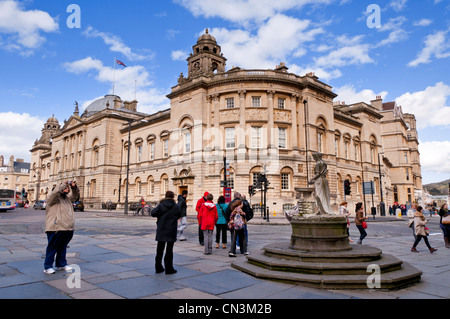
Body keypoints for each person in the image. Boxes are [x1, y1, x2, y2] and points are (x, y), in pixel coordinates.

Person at [43, 181, 79, 274]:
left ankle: (61, 264)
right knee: (52, 247)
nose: (68, 189)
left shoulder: (67, 199)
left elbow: (75, 196)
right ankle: (47, 267)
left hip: (67, 227)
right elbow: (55, 193)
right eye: (66, 188)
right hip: (55, 227)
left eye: (68, 188)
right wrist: (63, 184)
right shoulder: (52, 199)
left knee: (63, 247)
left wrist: (74, 188)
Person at [151, 191, 181, 274]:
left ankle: (158, 267)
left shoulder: (161, 205)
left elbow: (153, 213)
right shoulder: (176, 206)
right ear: (172, 197)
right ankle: (169, 268)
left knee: (160, 249)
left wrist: (160, 216)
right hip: (171, 229)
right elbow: (179, 215)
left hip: (162, 228)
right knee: (169, 249)